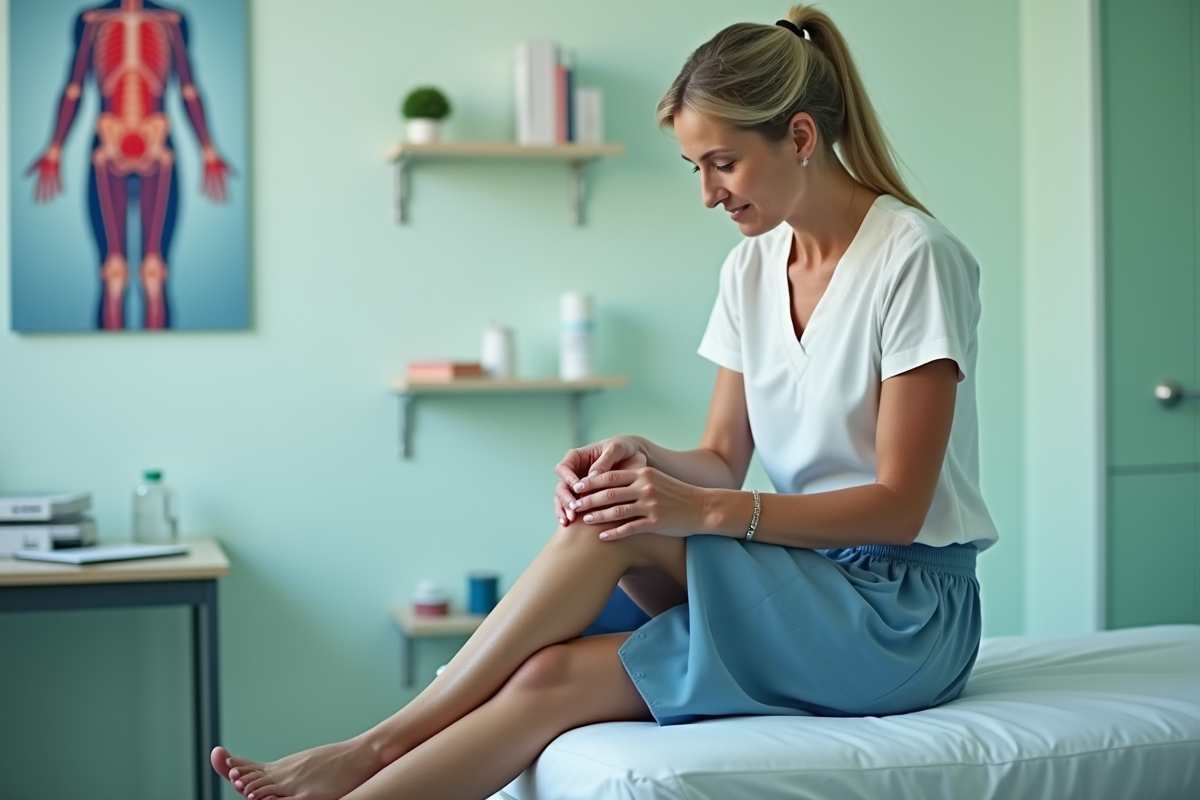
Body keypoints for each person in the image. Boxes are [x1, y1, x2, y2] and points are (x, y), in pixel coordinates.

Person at [211, 5, 998, 799]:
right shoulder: (751, 271)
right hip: (805, 577)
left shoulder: (915, 258)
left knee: (612, 530)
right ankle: (374, 763)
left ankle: (377, 746)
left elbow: (899, 506)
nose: (708, 194)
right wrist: (643, 457)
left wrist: (704, 511)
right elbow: (723, 458)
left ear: (798, 137)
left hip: (903, 613)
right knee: (552, 670)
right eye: (696, 168)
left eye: (722, 163)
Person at [26, 0, 233, 330]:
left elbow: (188, 88)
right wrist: (54, 149)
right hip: (108, 144)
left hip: (157, 144)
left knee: (153, 272)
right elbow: (74, 86)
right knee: (114, 272)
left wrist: (208, 149)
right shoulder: (92, 20)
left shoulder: (172, 21)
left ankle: (157, 365)